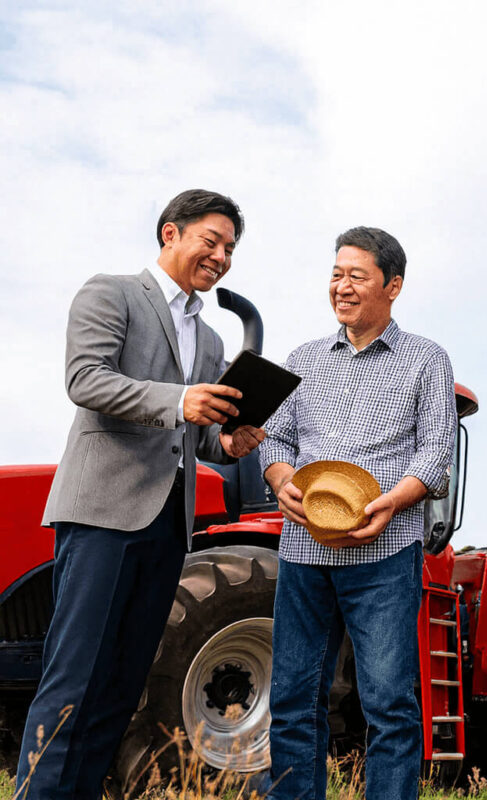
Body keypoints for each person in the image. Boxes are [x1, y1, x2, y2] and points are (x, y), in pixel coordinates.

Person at [16, 189, 266, 799]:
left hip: (167, 526)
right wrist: (179, 401)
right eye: (211, 240)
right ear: (170, 233)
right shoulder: (112, 292)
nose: (221, 256)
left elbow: (194, 435)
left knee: (123, 682)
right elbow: (85, 378)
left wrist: (227, 445)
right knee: (75, 676)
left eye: (230, 248)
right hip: (104, 513)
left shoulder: (208, 341)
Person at [259, 226, 456, 799]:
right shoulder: (302, 360)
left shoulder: (426, 358)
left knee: (390, 703)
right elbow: (275, 441)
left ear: (392, 286)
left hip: (385, 554)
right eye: (336, 274)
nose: (341, 287)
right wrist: (281, 481)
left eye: (357, 276)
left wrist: (392, 503)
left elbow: (437, 451)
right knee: (294, 700)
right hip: (303, 552)